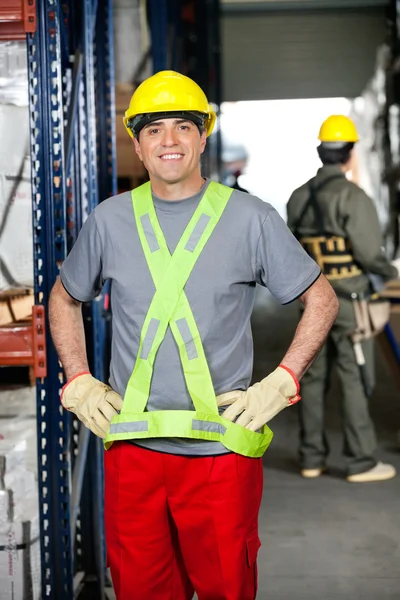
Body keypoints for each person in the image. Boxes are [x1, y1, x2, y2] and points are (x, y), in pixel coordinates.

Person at [49, 71, 338, 600]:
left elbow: (321, 298)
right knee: (140, 590)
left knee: (226, 587)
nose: (170, 141)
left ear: (204, 136)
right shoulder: (109, 221)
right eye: (154, 129)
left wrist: (282, 380)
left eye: (184, 126)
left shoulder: (251, 218)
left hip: (220, 456)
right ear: (136, 143)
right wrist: (79, 381)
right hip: (134, 453)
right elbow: (64, 297)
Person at [287, 114, 399, 484]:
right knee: (352, 376)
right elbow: (369, 253)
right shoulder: (353, 197)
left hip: (311, 302)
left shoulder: (298, 198)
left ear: (321, 152)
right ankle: (360, 461)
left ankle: (311, 458)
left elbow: (292, 251)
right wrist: (390, 273)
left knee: (312, 377)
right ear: (349, 154)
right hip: (349, 303)